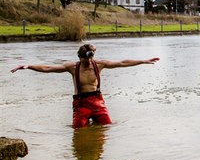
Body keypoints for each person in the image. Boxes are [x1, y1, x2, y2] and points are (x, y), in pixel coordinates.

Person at [10, 44, 159, 128]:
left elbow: (122, 63)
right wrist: (28, 66)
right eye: (85, 61)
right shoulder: (72, 67)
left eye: (90, 60)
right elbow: (48, 68)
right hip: (81, 105)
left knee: (107, 128)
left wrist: (143, 61)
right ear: (80, 58)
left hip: (98, 102)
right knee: (79, 132)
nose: (88, 64)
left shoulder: (99, 65)